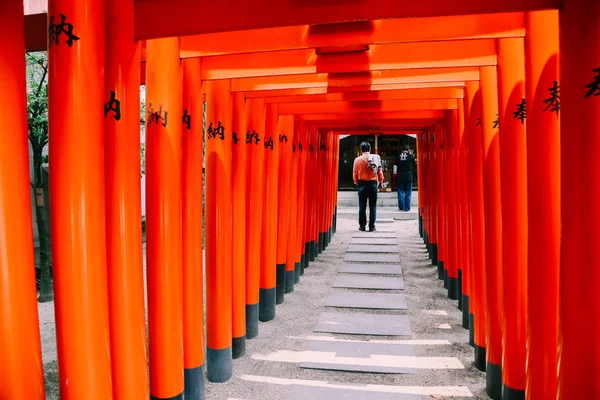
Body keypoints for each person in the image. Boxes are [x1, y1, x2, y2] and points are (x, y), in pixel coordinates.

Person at [353, 142, 383, 231]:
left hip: (362, 184)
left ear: (361, 150)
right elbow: (380, 172)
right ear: (370, 149)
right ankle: (371, 226)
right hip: (373, 184)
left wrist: (356, 182)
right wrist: (381, 181)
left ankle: (362, 226)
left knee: (362, 206)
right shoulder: (376, 158)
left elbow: (354, 173)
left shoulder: (357, 160)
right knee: (372, 206)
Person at [394, 144, 416, 212]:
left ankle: (401, 207)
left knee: (400, 191)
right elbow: (414, 163)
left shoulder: (398, 156)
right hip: (408, 175)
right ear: (408, 150)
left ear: (401, 150)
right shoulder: (410, 156)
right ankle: (407, 208)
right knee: (408, 192)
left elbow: (395, 165)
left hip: (400, 175)